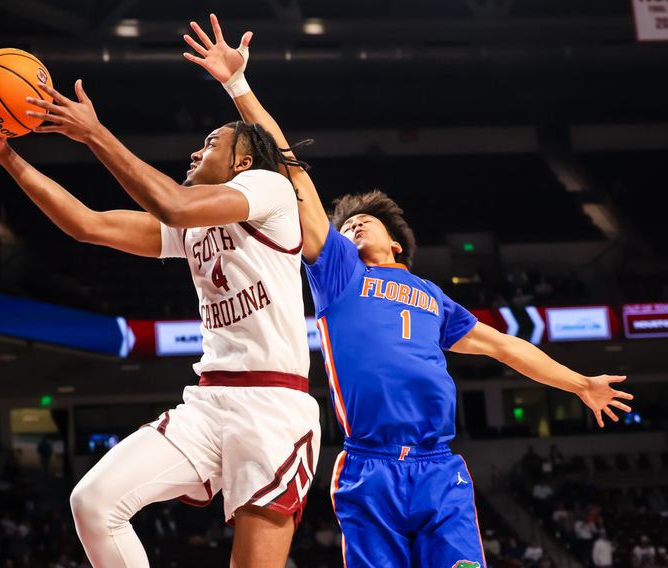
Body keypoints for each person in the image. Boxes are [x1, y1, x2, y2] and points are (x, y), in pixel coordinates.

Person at [183, 14, 635, 567]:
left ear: (396, 243)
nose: (349, 227)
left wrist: (579, 383)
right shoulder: (339, 271)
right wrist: (239, 87)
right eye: (344, 225)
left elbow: (504, 346)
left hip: (440, 468)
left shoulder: (432, 297)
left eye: (362, 222)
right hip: (369, 467)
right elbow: (294, 171)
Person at [0, 61, 321, 567]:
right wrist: (7, 156)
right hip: (210, 402)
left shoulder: (270, 190)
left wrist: (94, 133)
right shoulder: (191, 225)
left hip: (273, 407)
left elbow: (171, 204)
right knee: (93, 503)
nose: (196, 150)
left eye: (212, 143)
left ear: (242, 163)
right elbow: (88, 225)